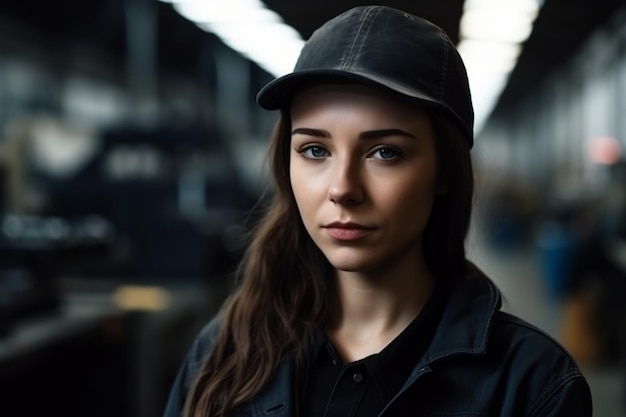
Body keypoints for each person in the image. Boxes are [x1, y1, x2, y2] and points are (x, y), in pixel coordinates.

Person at [163, 5, 592, 417]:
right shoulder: (224, 352)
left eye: (384, 152)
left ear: (444, 171)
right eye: (314, 150)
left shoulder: (532, 385)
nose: (343, 189)